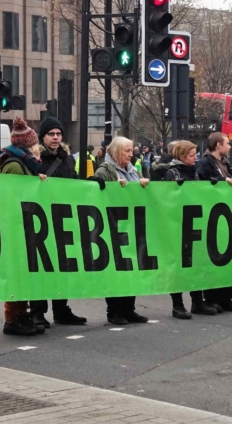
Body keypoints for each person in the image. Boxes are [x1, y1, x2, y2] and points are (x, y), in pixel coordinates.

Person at [28, 117, 87, 329]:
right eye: (51, 134)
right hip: (41, 220)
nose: (55, 137)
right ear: (43, 137)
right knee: (42, 267)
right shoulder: (34, 158)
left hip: (63, 218)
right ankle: (37, 311)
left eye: (58, 134)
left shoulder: (67, 158)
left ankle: (61, 309)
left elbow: (74, 183)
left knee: (64, 266)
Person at [0, 118, 49, 336]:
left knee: (23, 272)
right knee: (17, 272)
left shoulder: (23, 163)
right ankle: (13, 318)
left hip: (23, 225)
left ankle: (21, 313)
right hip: (16, 226)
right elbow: (12, 197)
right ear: (28, 145)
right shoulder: (15, 165)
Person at [93, 137, 150, 325]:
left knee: (131, 269)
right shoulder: (105, 171)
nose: (131, 154)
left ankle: (129, 309)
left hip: (132, 227)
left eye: (131, 150)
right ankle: (114, 311)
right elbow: (97, 196)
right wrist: (114, 190)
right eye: (127, 151)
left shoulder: (133, 170)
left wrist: (143, 185)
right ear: (117, 152)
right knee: (118, 270)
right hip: (114, 227)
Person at [163, 141, 218, 319]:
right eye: (191, 155)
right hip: (176, 227)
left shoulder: (194, 173)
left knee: (196, 265)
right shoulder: (172, 173)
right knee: (178, 267)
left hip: (194, 224)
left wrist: (211, 185)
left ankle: (197, 302)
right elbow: (163, 200)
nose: (195, 158)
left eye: (195, 154)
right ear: (181, 156)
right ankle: (177, 305)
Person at [195, 133, 232, 313]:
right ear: (218, 145)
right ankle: (211, 298)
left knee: (227, 259)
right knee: (213, 259)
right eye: (227, 144)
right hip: (212, 218)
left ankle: (226, 298)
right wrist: (217, 182)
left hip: (225, 217)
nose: (230, 147)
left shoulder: (224, 164)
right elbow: (199, 187)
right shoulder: (205, 163)